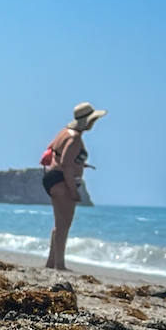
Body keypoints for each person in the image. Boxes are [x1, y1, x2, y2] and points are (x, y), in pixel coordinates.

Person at [42, 102, 105, 270]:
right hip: (62, 180)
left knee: (58, 223)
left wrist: (79, 164)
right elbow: (66, 164)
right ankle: (60, 264)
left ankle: (51, 261)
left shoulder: (63, 132)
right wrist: (73, 190)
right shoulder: (74, 138)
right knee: (64, 224)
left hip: (52, 177)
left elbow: (56, 152)